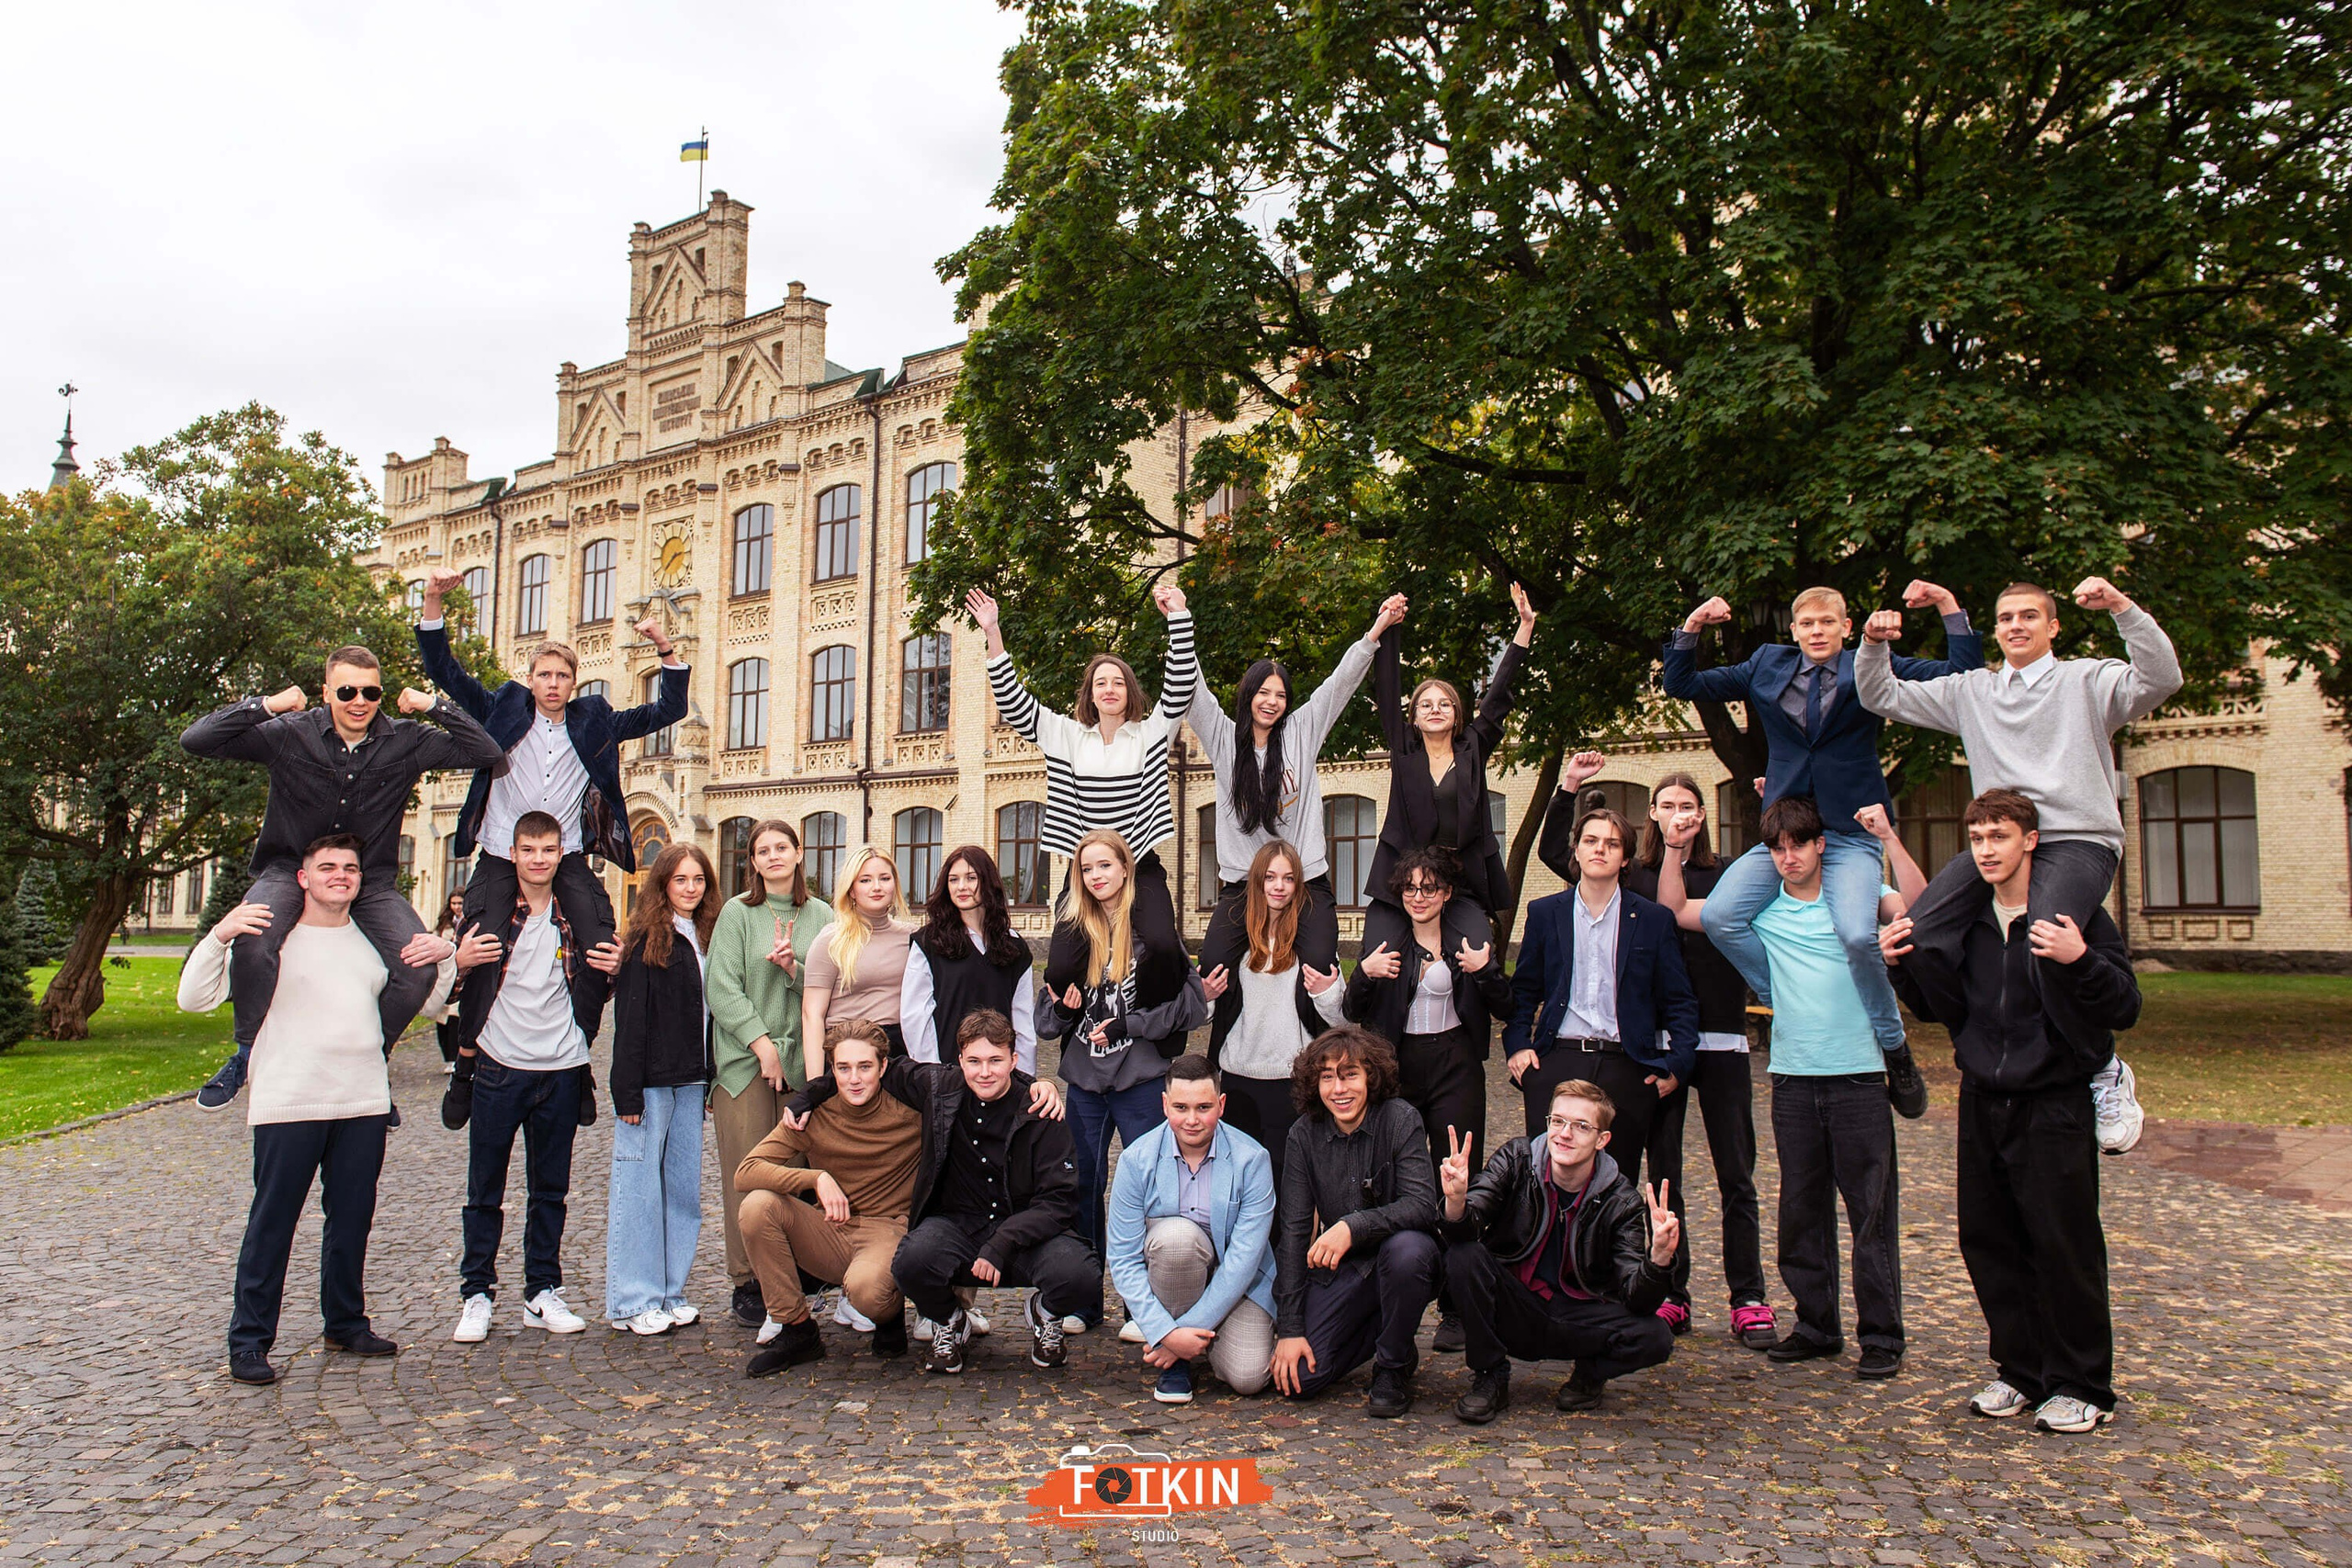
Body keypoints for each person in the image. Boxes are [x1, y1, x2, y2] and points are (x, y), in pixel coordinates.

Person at [1856, 576, 2180, 1154]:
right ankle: (1975, 1039)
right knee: (1917, 936)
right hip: (2000, 840)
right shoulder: (1972, 691)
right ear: (1996, 629)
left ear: (2052, 627)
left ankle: (2103, 1067)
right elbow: (1883, 696)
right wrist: (1874, 643)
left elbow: (2161, 678)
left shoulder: (2087, 680)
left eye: (2029, 616)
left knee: (2046, 937)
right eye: (2005, 618)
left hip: (2075, 840)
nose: (2016, 626)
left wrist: (2123, 608)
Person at [1659, 582, 1983, 1115]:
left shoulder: (1869, 666)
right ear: (1794, 630)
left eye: (1827, 623)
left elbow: (1959, 674)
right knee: (1720, 914)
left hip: (1851, 832)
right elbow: (1681, 681)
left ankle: (1894, 1047)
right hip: (1784, 833)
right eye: (1807, 624)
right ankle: (1786, 1002)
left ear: (1845, 628)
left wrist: (1949, 606)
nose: (1816, 632)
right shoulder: (1765, 664)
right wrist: (1694, 624)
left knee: (1858, 935)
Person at [1881, 789, 2141, 1433]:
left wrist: (2080, 960)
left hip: (2053, 1102)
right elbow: (1944, 1009)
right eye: (1977, 839)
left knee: (2063, 1243)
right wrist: (1900, 969)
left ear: (2031, 841)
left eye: (1999, 836)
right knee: (1989, 1239)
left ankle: (2083, 1383)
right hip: (1983, 1098)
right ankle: (2022, 1371)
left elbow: (2124, 1004)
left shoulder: (2071, 916)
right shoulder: (1970, 920)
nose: (1987, 850)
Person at [177, 834, 457, 1385]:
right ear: (302, 878)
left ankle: (345, 1322)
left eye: (350, 868)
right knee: (272, 1224)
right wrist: (219, 936)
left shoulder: (374, 942)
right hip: (290, 1100)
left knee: (352, 1221)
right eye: (327, 867)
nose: (340, 875)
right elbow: (194, 999)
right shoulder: (270, 941)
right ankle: (250, 1342)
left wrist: (444, 959)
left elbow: (430, 1006)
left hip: (363, 1102)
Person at [1658, 795, 1919, 1378]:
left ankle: (1881, 1336)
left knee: (1870, 1213)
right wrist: (1674, 846)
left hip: (1858, 1077)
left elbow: (1919, 907)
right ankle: (1816, 1324)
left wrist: (1889, 840)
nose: (1787, 857)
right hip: (1793, 1080)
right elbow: (1675, 908)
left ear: (1821, 845)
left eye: (1797, 845)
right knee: (1801, 1209)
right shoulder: (1765, 913)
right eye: (1776, 848)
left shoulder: (1857, 902)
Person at [180, 646, 500, 1110]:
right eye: (347, 690)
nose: (359, 701)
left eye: (371, 692)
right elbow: (196, 740)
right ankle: (246, 1053)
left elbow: (487, 751)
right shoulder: (290, 733)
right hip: (288, 869)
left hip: (368, 882)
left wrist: (434, 705)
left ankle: (375, 1062)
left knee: (417, 970)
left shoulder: (405, 740)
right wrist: (265, 706)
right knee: (254, 939)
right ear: (327, 691)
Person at [1554, 769, 1774, 1348]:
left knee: (1737, 1175)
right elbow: (1566, 855)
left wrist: (1771, 797)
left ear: (1701, 814)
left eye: (1689, 804)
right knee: (1663, 1176)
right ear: (1651, 812)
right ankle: (1672, 1288)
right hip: (1657, 1048)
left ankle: (1748, 1296)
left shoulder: (1725, 872)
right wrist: (1568, 791)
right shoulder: (1635, 873)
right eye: (1668, 804)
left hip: (1721, 1037)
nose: (1679, 812)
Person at [415, 567, 689, 1000]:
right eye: (544, 675)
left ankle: (581, 1040)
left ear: (573, 682)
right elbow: (445, 672)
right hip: (502, 848)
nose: (553, 684)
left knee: (601, 943)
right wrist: (433, 600)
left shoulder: (594, 723)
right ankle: (469, 1054)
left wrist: (663, 646)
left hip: (565, 854)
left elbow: (667, 711)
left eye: (562, 676)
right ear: (531, 680)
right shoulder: (501, 709)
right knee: (482, 946)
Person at [787, 1010, 1088, 1376]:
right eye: (974, 1061)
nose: (985, 1072)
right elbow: (872, 1066)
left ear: (1014, 1059)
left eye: (996, 1060)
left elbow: (1059, 1200)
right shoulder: (939, 1086)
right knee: (911, 1260)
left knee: (1080, 1274)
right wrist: (809, 1094)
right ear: (959, 1059)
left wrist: (1003, 1242)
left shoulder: (1041, 1108)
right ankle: (949, 1320)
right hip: (957, 1225)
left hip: (1024, 1231)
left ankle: (1046, 1314)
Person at [442, 812, 621, 1344]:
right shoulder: (489, 916)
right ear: (514, 854)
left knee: (550, 1191)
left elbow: (597, 985)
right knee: (485, 1190)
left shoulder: (577, 916)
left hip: (562, 1068)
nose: (538, 859)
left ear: (561, 853)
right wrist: (459, 960)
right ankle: (477, 1294)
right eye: (528, 850)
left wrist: (611, 973)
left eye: (548, 850)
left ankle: (542, 1291)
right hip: (499, 1067)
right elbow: (452, 992)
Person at [971, 581, 1196, 1003]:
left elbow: (1181, 686)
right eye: (1100, 683)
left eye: (1118, 682)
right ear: (1090, 694)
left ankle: (1148, 1022)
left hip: (1139, 864)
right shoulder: (1066, 735)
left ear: (1129, 691)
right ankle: (1082, 1032)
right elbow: (1014, 702)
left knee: (1164, 949)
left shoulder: (1150, 734)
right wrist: (993, 633)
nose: (1109, 689)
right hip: (1083, 872)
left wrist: (1178, 617)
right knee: (1058, 971)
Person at [1189, 594, 1408, 987]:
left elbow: (1339, 684)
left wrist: (1377, 630)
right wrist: (1178, 618)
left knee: (1321, 969)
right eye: (1264, 692)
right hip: (1242, 884)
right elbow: (1195, 690)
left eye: (1281, 695)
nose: (1272, 702)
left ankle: (1318, 1044)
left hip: (1306, 880)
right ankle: (1227, 1047)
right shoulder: (1223, 738)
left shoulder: (1301, 731)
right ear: (1248, 694)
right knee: (1213, 971)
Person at [1501, 806, 1700, 1236]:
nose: (1600, 850)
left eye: (1612, 844)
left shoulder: (1652, 920)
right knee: (1548, 1178)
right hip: (1558, 1058)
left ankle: (1610, 1288)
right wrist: (1518, 1047)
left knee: (1618, 1182)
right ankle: (1544, 1284)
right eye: (1591, 841)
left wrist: (1677, 1066)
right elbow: (1524, 992)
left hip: (1625, 1064)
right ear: (1576, 849)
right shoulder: (1545, 912)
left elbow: (1680, 1000)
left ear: (1625, 857)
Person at [1342, 847, 1510, 1353]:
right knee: (1395, 1180)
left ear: (1447, 893)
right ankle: (1393, 1297)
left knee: (1458, 1176)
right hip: (1400, 1067)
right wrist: (1365, 973)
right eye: (1411, 888)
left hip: (1456, 1065)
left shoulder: (1467, 942)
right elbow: (1353, 1011)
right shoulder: (1388, 945)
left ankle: (1457, 1307)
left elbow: (1507, 1005)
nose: (1420, 897)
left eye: (1430, 887)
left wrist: (1485, 972)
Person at [1441, 1081, 1681, 1421]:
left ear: (1602, 1140)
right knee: (1464, 1256)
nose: (1564, 1134)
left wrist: (1658, 1259)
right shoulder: (1516, 1159)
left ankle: (1590, 1375)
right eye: (1557, 1121)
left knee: (1656, 1336)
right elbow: (1466, 1228)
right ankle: (1490, 1374)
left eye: (1581, 1126)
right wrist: (1456, 1201)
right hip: (1514, 1304)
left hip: (1577, 1316)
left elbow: (1637, 1300)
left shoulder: (1622, 1201)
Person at [1042, 829, 1208, 1316]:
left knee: (1151, 1188)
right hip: (1086, 1085)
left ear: (1126, 869)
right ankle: (1083, 1300)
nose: (1096, 877)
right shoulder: (1073, 934)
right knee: (1083, 1187)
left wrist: (1131, 1025)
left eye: (1105, 866)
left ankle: (1149, 1307)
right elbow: (1046, 1021)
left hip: (1140, 1080)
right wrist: (1066, 1010)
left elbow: (1192, 1006)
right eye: (1087, 869)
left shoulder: (1154, 934)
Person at [734, 1020, 924, 1373]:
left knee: (868, 1291)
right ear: (831, 1070)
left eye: (865, 1067)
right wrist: (814, 1177)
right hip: (829, 1231)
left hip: (887, 1232)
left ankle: (889, 1313)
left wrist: (1039, 1084)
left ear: (883, 1067)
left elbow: (977, 1086)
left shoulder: (912, 1111)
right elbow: (746, 1171)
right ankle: (797, 1330)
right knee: (758, 1206)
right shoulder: (812, 1113)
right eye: (844, 1068)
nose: (854, 1079)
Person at [1270, 1026, 1441, 1418]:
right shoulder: (1303, 1134)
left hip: (1404, 1259)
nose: (1338, 1089)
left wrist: (1352, 1226)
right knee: (1300, 1379)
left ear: (1371, 1077)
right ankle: (1389, 1333)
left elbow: (1421, 1205)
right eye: (1327, 1077)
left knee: (1407, 1252)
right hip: (1344, 1273)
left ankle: (1392, 1366)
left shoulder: (1400, 1119)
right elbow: (1294, 1231)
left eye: (1349, 1075)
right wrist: (1291, 1328)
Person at [704, 819, 834, 1332]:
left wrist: (792, 970)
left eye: (783, 847)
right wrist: (762, 1046)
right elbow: (722, 988)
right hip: (745, 1065)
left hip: (805, 1065)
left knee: (802, 1168)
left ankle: (805, 1273)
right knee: (749, 1170)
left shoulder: (821, 914)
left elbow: (831, 985)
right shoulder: (738, 913)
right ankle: (749, 1281)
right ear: (752, 862)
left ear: (799, 854)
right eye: (763, 850)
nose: (774, 856)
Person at [1103, 1055, 1280, 1404]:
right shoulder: (1136, 1160)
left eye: (1204, 1107)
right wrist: (1163, 1329)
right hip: (1176, 1271)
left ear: (1222, 1104)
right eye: (1181, 1107)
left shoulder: (1252, 1160)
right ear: (1165, 1104)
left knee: (1249, 1377)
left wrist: (1177, 1338)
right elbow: (1122, 1257)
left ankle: (1195, 1343)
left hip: (1238, 1286)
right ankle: (1177, 1366)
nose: (1192, 1120)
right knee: (1176, 1240)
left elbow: (1245, 1260)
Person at [1359, 582, 1537, 920]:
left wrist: (1525, 627)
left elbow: (1498, 695)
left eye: (1444, 704)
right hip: (1407, 876)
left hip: (1462, 877)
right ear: (1413, 717)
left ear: (1457, 714)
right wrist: (1388, 624)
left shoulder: (1473, 747)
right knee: (1381, 959)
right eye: (1425, 704)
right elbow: (1387, 686)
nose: (1435, 709)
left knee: (1476, 956)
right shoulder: (1404, 749)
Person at [605, 842, 719, 1336]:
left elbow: (709, 1015)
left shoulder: (706, 936)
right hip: (650, 1084)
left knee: (681, 1193)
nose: (690, 888)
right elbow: (629, 1021)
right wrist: (626, 1091)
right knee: (639, 1191)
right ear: (663, 885)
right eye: (681, 880)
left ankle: (670, 1291)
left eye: (698, 880)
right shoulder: (645, 939)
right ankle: (634, 1299)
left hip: (691, 1080)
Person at [1199, 840, 1348, 1189]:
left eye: (1288, 878)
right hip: (1237, 1077)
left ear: (1299, 886)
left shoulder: (1312, 945)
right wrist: (1204, 997)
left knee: (1289, 1186)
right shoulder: (1235, 943)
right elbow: (1204, 1014)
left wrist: (1326, 989)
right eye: (1270, 877)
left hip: (1292, 1082)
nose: (1279, 886)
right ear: (1257, 883)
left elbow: (1340, 1020)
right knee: (1238, 1185)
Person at [903, 845, 1038, 1073]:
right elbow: (915, 1018)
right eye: (953, 879)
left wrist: (1024, 1078)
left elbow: (1023, 1019)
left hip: (999, 1075)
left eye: (971, 878)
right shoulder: (928, 943)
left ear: (988, 881)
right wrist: (933, 1074)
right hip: (947, 1073)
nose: (961, 887)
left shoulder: (1014, 947)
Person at [801, 845, 917, 1062]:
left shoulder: (913, 937)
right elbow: (812, 1016)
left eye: (884, 878)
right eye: (865, 880)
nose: (876, 887)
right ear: (851, 889)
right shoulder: (832, 940)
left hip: (900, 1055)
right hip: (848, 1052)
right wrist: (816, 1085)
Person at [432, 891, 467, 1071]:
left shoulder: (470, 921)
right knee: (442, 1019)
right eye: (454, 903)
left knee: (455, 1018)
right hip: (444, 975)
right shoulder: (444, 925)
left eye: (460, 903)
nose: (457, 907)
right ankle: (447, 1057)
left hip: (462, 974)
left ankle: (456, 1058)